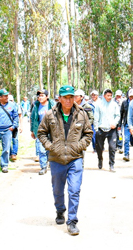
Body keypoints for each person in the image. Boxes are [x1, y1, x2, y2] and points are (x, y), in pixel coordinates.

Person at [37, 85, 93, 236]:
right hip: (57, 159)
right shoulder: (50, 115)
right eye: (65, 97)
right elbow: (41, 133)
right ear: (59, 99)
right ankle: (60, 210)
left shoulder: (82, 114)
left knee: (74, 190)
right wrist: (51, 147)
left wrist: (79, 147)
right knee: (57, 189)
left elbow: (88, 133)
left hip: (75, 158)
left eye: (71, 97)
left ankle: (72, 221)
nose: (69, 100)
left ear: (75, 98)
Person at [94, 89, 120, 172]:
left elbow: (117, 116)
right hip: (101, 128)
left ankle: (111, 164)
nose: (109, 97)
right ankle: (100, 159)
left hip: (111, 129)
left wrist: (115, 123)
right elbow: (96, 117)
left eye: (110, 95)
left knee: (112, 147)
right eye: (108, 95)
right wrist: (96, 128)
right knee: (99, 147)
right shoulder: (99, 104)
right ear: (104, 96)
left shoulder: (115, 105)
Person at [31, 89, 54, 175]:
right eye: (39, 96)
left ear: (47, 97)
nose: (40, 97)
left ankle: (50, 162)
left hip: (51, 130)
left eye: (42, 95)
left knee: (50, 148)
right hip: (41, 130)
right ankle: (43, 167)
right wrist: (32, 130)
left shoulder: (52, 105)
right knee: (41, 149)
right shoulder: (36, 106)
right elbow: (33, 118)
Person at [119, 89, 133, 156]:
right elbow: (121, 114)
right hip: (126, 123)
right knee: (126, 139)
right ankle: (126, 154)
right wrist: (119, 125)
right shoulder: (124, 103)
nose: (131, 98)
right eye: (130, 96)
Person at [8, 94, 20, 162]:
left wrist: (21, 126)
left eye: (11, 100)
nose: (10, 102)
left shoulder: (16, 106)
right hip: (7, 126)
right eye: (9, 100)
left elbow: (19, 116)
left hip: (15, 126)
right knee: (7, 141)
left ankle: (14, 154)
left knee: (15, 140)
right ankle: (9, 154)